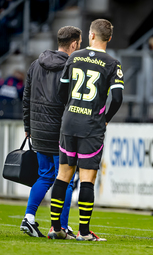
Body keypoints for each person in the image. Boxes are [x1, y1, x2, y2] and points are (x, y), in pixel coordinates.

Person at [47, 19, 123, 241]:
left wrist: (71, 109)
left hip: (69, 122)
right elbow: (117, 98)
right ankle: (83, 232)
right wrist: (105, 119)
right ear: (109, 38)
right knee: (87, 179)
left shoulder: (73, 57)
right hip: (92, 125)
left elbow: (61, 91)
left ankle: (56, 229)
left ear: (91, 35)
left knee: (63, 175)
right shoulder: (112, 63)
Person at [21, 26, 82, 238]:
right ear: (74, 44)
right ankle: (60, 226)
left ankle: (28, 218)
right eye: (79, 44)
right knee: (64, 179)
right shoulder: (72, 67)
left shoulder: (35, 65)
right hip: (61, 132)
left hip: (38, 131)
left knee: (46, 175)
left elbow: (26, 98)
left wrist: (28, 128)